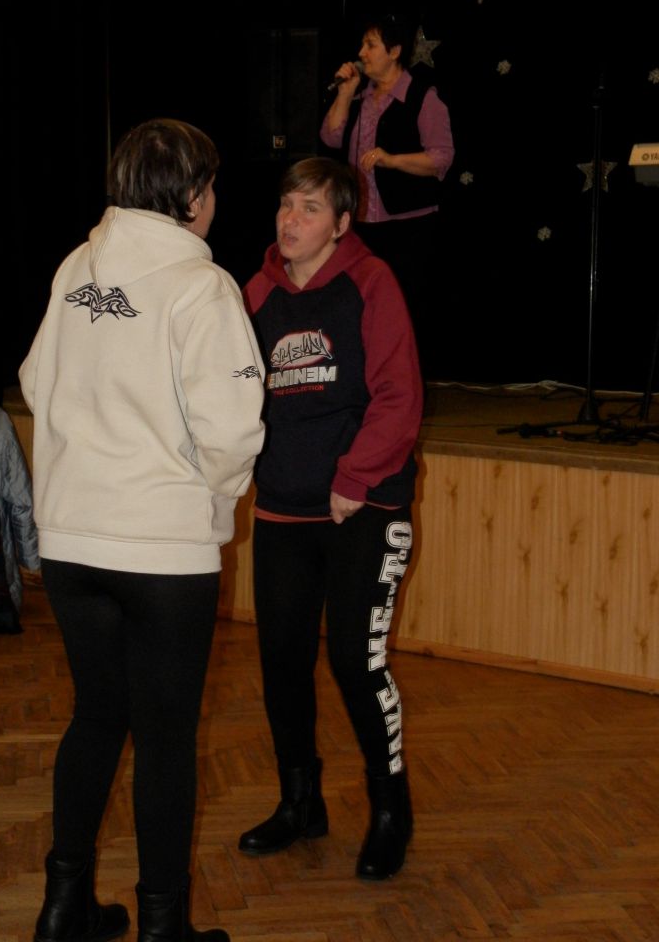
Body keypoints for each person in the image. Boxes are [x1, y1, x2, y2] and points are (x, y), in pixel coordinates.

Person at [19, 118, 265, 942]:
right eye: (212, 184)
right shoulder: (204, 286)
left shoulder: (75, 268)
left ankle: (63, 908)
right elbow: (233, 431)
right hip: (162, 550)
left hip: (70, 543)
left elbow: (34, 378)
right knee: (165, 741)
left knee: (96, 717)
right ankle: (164, 928)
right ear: (192, 194)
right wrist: (212, 506)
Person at [238, 156, 423, 881]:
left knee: (355, 659)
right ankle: (301, 803)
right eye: (287, 204)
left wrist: (353, 477)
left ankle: (390, 811)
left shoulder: (372, 282)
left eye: (310, 208)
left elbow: (399, 396)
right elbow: (236, 396)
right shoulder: (256, 293)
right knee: (282, 660)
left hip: (363, 506)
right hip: (284, 509)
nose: (291, 219)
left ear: (342, 223)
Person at [320, 14, 455, 380]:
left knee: (406, 306)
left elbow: (441, 158)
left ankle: (406, 384)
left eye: (371, 45)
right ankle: (367, 380)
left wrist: (392, 160)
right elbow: (331, 138)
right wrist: (345, 93)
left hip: (408, 224)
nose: (362, 53)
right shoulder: (360, 98)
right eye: (362, 45)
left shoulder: (422, 97)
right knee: (363, 304)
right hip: (362, 222)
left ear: (394, 51)